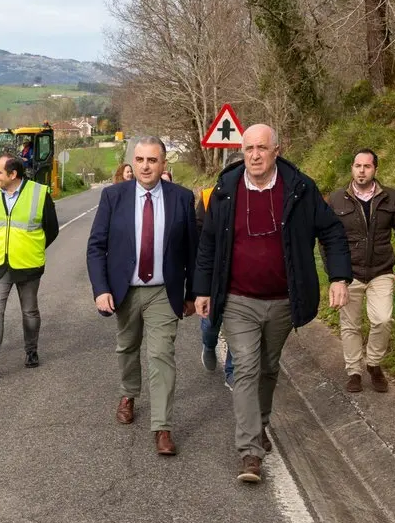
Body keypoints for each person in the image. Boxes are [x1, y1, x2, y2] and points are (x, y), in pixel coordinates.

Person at [194, 124, 352, 483]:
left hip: (283, 300)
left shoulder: (300, 188)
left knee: (267, 367)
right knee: (246, 367)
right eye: (248, 148)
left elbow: (331, 231)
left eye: (262, 148)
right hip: (238, 299)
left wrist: (339, 277)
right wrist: (202, 290)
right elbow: (208, 243)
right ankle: (250, 452)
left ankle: (260, 422)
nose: (254, 155)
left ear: (277, 150)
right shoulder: (226, 190)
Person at [87, 136, 198, 456]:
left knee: (161, 355)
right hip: (125, 290)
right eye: (140, 160)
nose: (146, 166)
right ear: (131, 164)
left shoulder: (181, 198)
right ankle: (128, 393)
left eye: (152, 160)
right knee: (127, 346)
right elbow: (96, 247)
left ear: (164, 164)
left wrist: (194, 293)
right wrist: (101, 289)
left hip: (164, 291)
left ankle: (162, 426)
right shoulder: (113, 197)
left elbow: (193, 250)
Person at [327, 149, 395, 393]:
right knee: (350, 324)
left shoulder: (390, 198)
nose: (361, 170)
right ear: (352, 168)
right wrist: (335, 276)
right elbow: (327, 239)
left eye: (367, 166)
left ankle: (374, 363)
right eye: (357, 166)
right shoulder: (337, 199)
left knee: (383, 319)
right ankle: (354, 370)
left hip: (382, 270)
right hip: (348, 272)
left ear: (375, 169)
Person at [0, 152, 59, 380]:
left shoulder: (39, 193)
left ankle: (31, 351)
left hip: (28, 264)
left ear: (13, 174)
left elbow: (52, 229)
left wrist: (32, 248)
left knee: (29, 311)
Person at [195, 151, 243, 389]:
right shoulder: (208, 197)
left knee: (238, 325)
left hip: (241, 278)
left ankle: (232, 370)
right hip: (215, 275)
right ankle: (209, 343)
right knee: (211, 324)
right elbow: (200, 239)